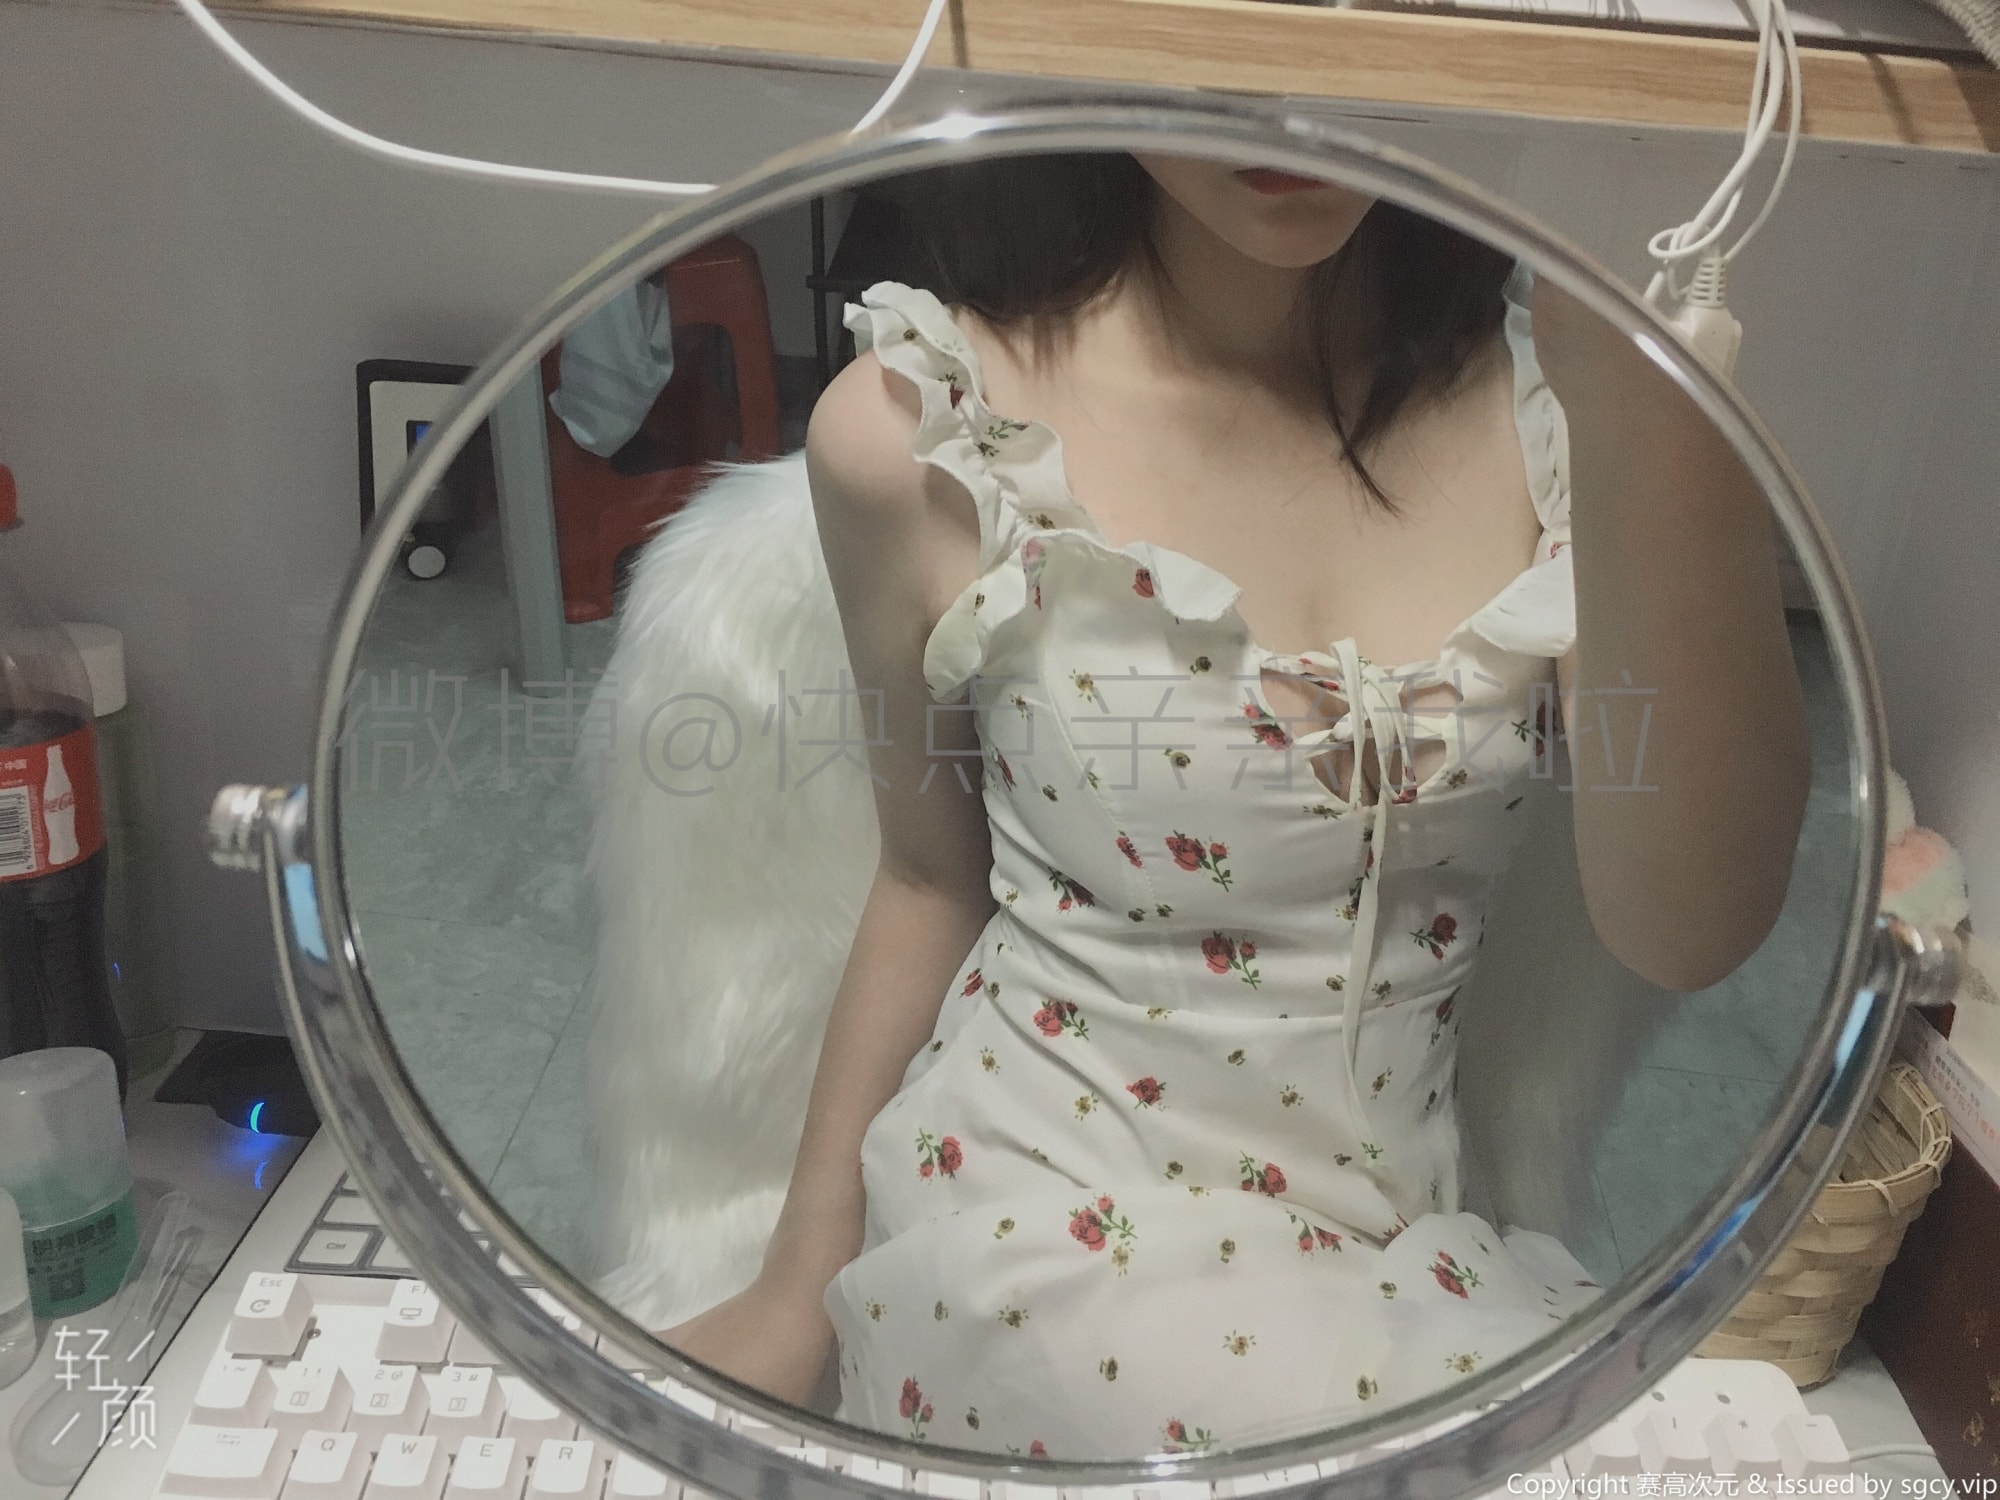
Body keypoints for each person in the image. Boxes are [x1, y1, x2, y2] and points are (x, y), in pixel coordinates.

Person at [659, 151, 1811, 1457]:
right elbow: (927, 873)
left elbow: (1688, 932)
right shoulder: (927, 427)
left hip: (1409, 1261)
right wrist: (795, 1285)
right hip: (1036, 1230)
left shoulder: (1558, 406)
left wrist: (1647, 416)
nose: (1289, 120)